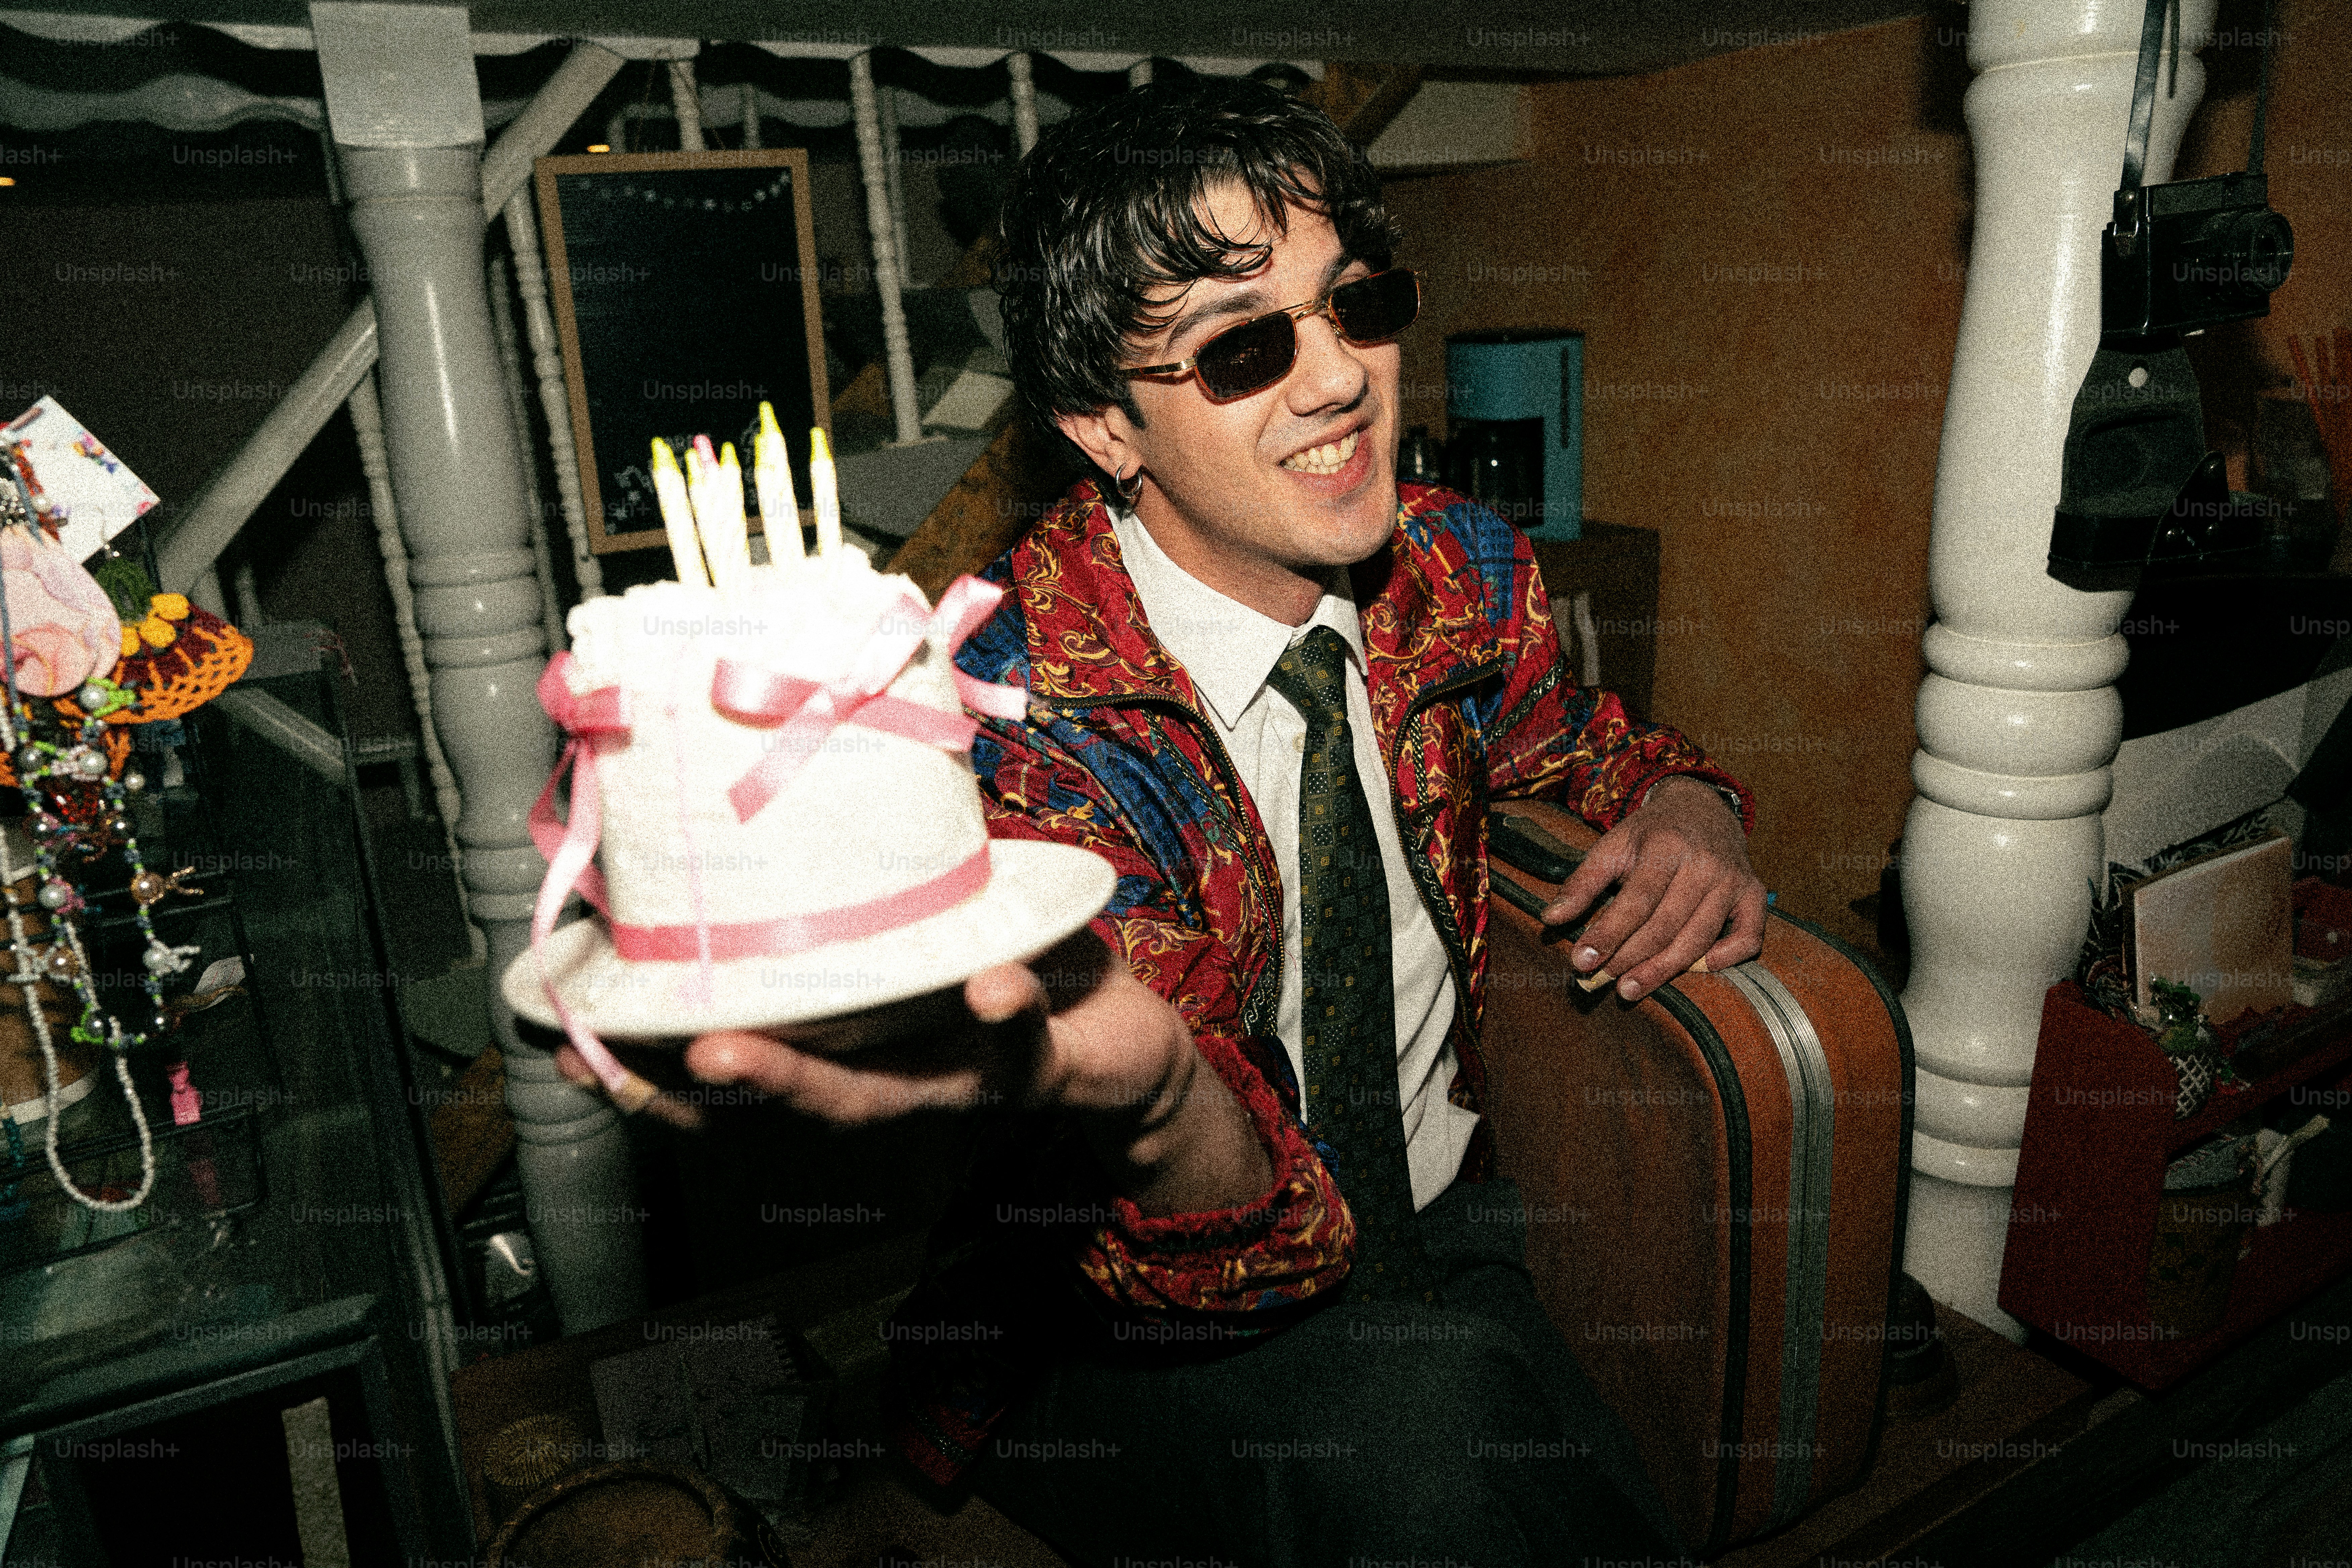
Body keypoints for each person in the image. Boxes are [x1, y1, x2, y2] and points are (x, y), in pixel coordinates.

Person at [672, 77, 1764, 1567]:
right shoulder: (1002, 720)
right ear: (1103, 424)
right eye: (1246, 345)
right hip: (1128, 1309)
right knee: (1434, 1440)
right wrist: (1166, 1094)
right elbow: (1192, 1203)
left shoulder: (1458, 567)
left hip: (1447, 1226)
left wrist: (1693, 803)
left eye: (1355, 304)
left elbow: (1580, 743)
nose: (1339, 381)